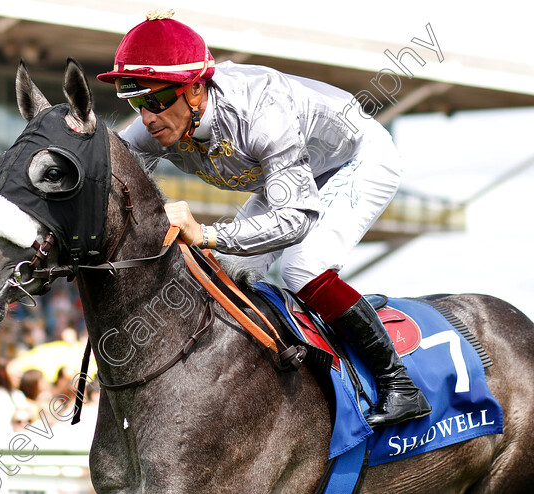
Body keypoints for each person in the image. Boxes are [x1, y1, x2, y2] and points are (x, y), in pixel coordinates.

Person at [97, 12, 430, 427]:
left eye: (156, 100)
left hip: (356, 159)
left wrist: (208, 234)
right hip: (295, 173)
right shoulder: (160, 123)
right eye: (137, 101)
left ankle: (398, 384)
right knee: (225, 273)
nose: (147, 117)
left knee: (300, 267)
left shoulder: (261, 111)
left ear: (195, 90)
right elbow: (102, 169)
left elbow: (295, 218)